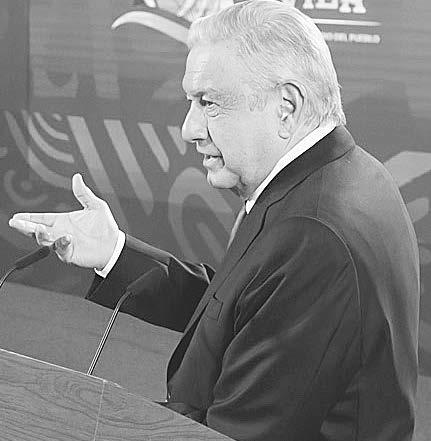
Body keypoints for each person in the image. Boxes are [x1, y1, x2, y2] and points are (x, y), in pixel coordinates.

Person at [9, 1, 420, 440]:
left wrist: (63, 420)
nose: (189, 128)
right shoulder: (337, 173)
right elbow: (243, 306)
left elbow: (232, 434)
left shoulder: (314, 237)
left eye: (209, 103)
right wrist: (114, 252)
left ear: (286, 107)